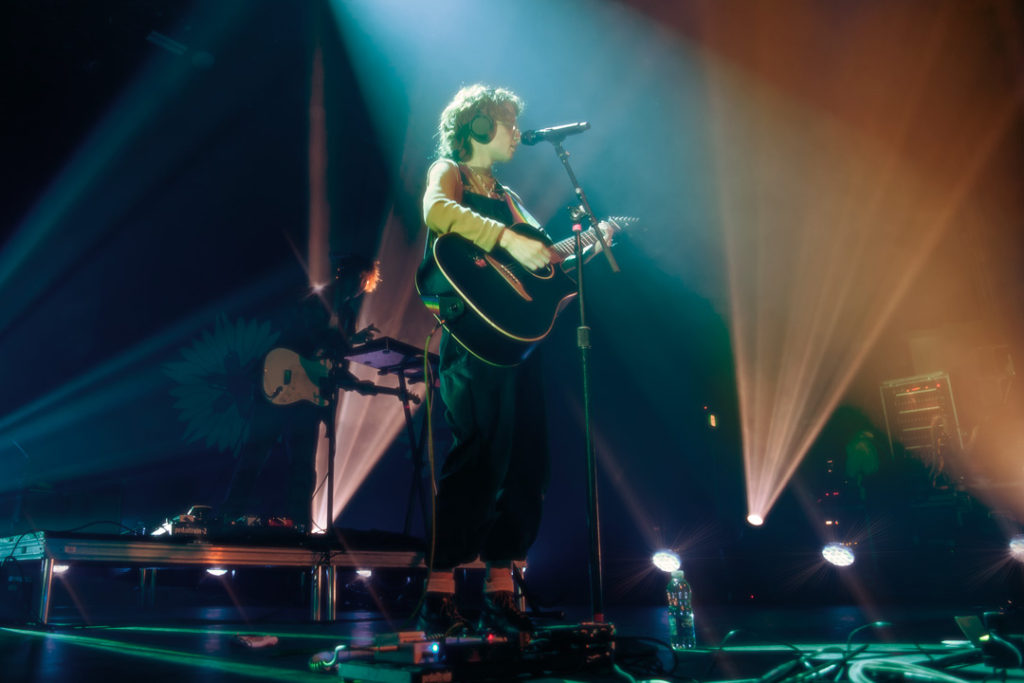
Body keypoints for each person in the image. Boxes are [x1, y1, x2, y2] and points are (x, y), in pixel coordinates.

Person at [418, 84, 552, 636]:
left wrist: (584, 245)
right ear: (477, 127)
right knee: (477, 458)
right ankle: (438, 595)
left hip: (517, 342)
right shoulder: (449, 171)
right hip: (472, 343)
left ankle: (501, 593)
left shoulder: (509, 194)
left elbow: (541, 259)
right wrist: (506, 239)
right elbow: (435, 210)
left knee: (525, 462)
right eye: (507, 123)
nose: (517, 133)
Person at [220, 253, 380, 532]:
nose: (358, 286)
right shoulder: (315, 298)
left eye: (363, 282)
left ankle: (299, 527)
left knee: (303, 466)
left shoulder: (348, 315)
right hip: (278, 386)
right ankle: (228, 519)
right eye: (359, 278)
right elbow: (311, 336)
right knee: (254, 457)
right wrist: (348, 341)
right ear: (347, 274)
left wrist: (357, 383)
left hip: (307, 397)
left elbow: (333, 362)